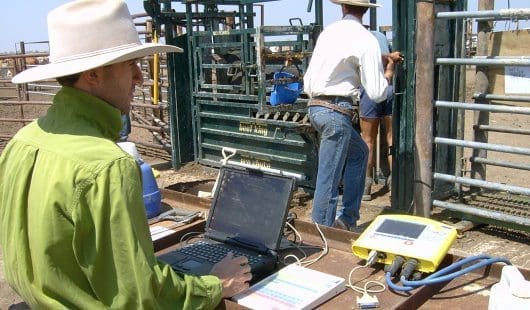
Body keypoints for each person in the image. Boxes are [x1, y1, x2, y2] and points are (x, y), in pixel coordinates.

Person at [0, 1, 250, 308]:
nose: (139, 77)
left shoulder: (23, 142)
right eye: (129, 64)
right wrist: (214, 286)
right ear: (93, 75)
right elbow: (136, 295)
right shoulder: (107, 166)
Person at [303, 0, 401, 231]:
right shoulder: (367, 39)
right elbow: (377, 93)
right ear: (366, 10)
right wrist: (388, 72)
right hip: (336, 112)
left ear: (343, 8)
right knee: (328, 178)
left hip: (316, 107)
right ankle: (322, 233)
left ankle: (348, 219)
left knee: (359, 153)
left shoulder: (329, 33)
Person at [360, 30, 394, 201]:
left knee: (368, 140)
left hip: (370, 91)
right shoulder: (381, 37)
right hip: (389, 88)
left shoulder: (360, 39)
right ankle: (394, 183)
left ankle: (366, 186)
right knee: (390, 137)